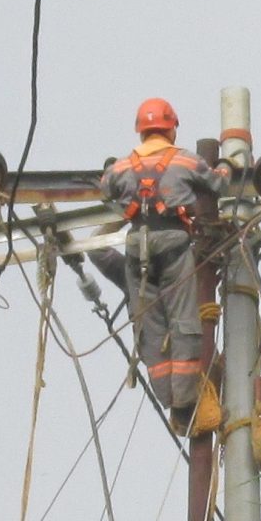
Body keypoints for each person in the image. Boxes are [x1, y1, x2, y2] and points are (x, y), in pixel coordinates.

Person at [98, 97, 228, 431]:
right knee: (184, 322)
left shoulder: (122, 168)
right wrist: (228, 165)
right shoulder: (185, 161)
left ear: (140, 131)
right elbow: (218, 183)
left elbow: (105, 188)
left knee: (149, 328)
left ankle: (168, 399)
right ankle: (185, 402)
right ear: (171, 128)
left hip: (137, 249)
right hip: (173, 245)